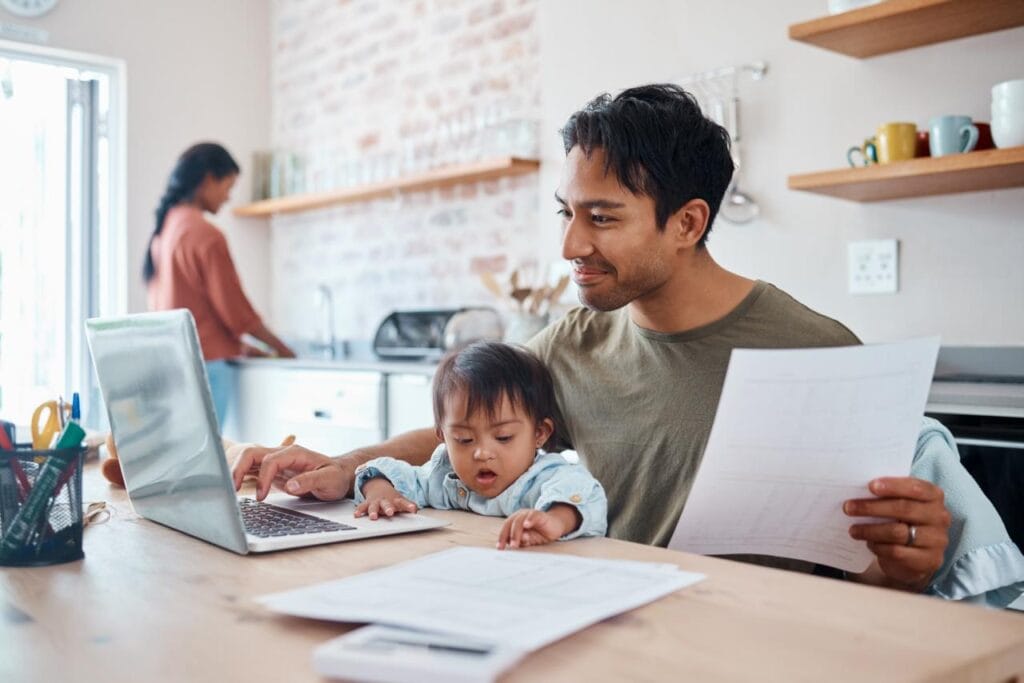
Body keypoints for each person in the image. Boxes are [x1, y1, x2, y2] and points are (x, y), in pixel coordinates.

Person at [231, 86, 1024, 606]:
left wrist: (908, 566)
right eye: (566, 212)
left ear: (688, 222)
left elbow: (875, 583)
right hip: (599, 627)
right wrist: (345, 464)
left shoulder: (819, 353)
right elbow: (470, 428)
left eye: (602, 218)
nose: (570, 244)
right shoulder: (573, 341)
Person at [352, 341, 606, 548]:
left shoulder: (545, 477)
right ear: (443, 436)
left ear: (539, 433)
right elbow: (387, 472)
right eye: (464, 439)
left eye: (503, 437)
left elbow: (583, 494)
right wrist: (380, 491)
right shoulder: (445, 477)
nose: (482, 453)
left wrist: (554, 520)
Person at [145, 142, 294, 426]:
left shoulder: (165, 230)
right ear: (208, 179)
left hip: (172, 362)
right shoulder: (205, 234)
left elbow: (188, 307)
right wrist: (284, 350)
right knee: (213, 449)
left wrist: (238, 345)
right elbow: (236, 312)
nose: (228, 197)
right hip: (207, 366)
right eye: (228, 187)